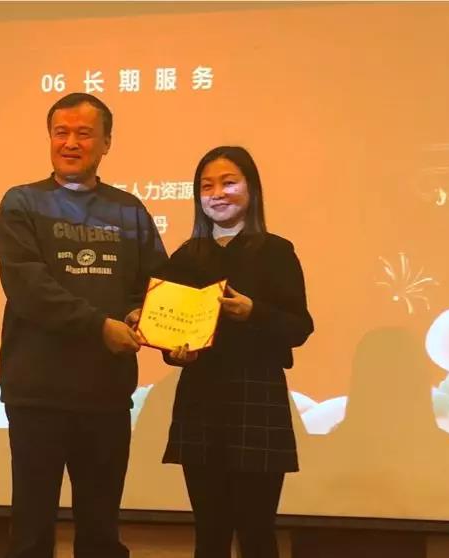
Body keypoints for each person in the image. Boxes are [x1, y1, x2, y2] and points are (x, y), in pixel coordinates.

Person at [0, 92, 167, 558]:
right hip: (37, 394)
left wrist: (142, 315)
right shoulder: (21, 203)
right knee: (31, 534)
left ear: (106, 143)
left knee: (101, 533)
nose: (70, 142)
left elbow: (156, 287)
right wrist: (99, 326)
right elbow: (29, 289)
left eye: (84, 133)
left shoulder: (130, 210)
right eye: (61, 132)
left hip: (105, 394)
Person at [156, 145, 314, 558]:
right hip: (200, 397)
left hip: (256, 396)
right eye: (207, 186)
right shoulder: (187, 256)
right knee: (209, 533)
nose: (217, 194)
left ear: (251, 189)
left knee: (257, 532)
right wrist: (175, 352)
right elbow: (166, 330)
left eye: (228, 183)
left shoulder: (276, 251)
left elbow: (300, 326)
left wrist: (254, 312)